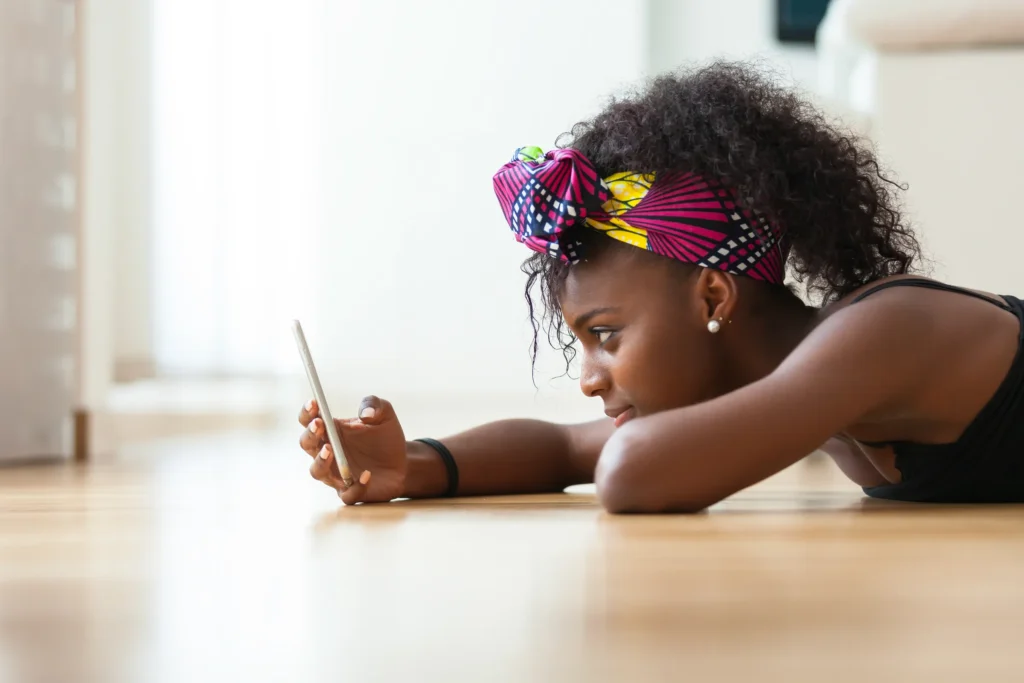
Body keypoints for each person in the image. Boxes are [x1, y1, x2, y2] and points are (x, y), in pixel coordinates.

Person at [297, 62, 1024, 512]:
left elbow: (630, 471)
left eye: (604, 335)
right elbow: (561, 449)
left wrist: (620, 452)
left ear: (713, 297)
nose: (587, 378)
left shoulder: (882, 333)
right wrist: (414, 465)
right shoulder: (803, 379)